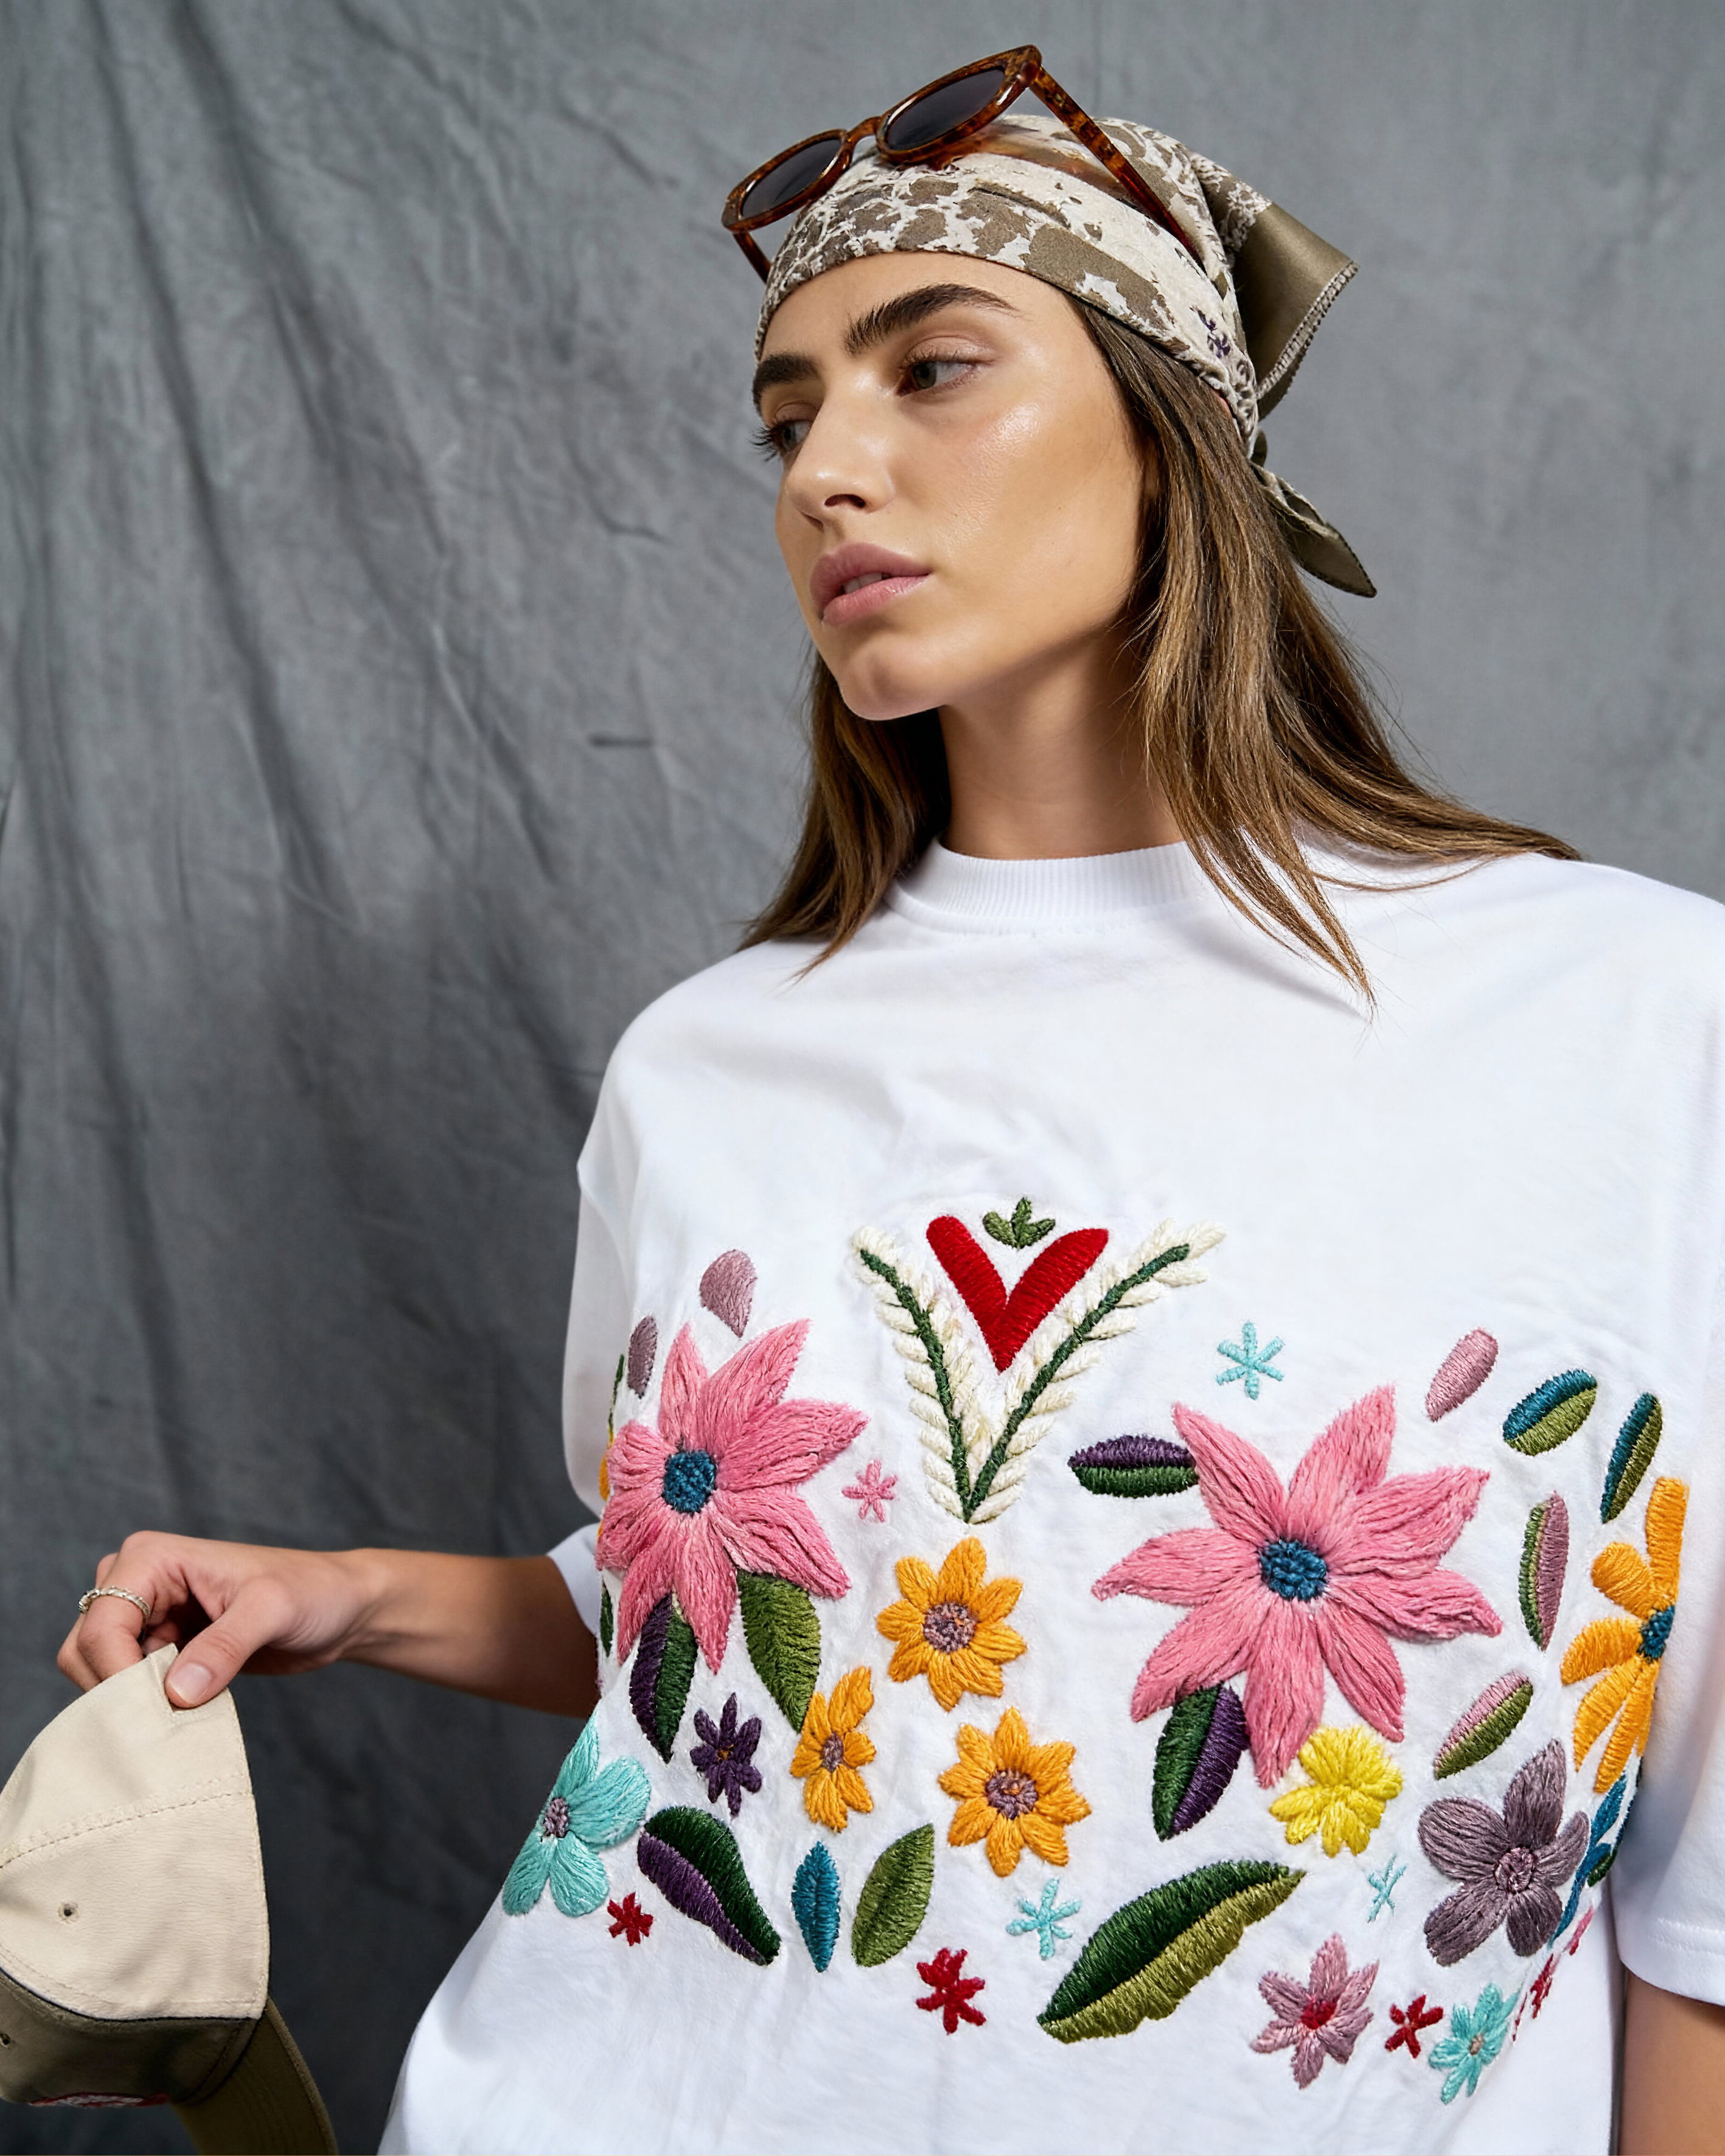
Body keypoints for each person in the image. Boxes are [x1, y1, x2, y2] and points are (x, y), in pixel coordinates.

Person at [56, 47, 1725, 2156]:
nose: (830, 466)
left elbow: (1707, 1863)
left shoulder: (1637, 1015)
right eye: (787, 415)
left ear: (1172, 428)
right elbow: (737, 1622)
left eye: (933, 369)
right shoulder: (709, 1063)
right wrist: (353, 1596)